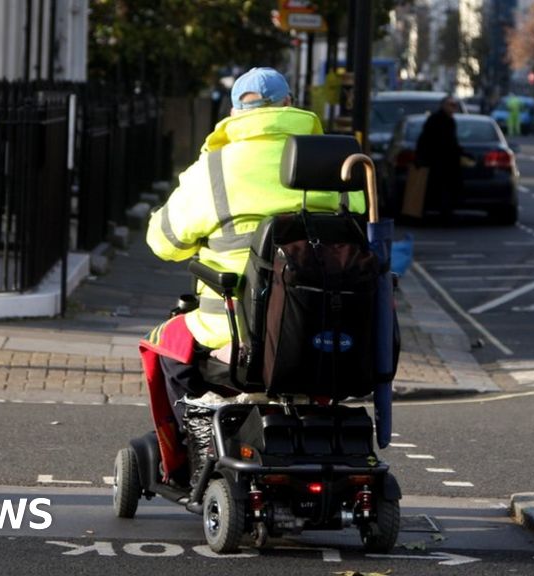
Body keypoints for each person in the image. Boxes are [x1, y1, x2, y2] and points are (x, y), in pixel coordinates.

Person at [139, 68, 365, 482]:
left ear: (234, 111)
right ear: (289, 104)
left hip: (235, 333)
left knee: (167, 347)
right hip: (324, 330)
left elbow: (163, 241)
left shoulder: (214, 168)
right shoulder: (336, 163)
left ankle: (193, 449)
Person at [414, 96, 464, 220]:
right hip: (436, 161)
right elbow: (425, 140)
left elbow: (452, 142)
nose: (453, 108)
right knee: (434, 188)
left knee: (446, 189)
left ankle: (445, 212)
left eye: (454, 105)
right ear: (443, 106)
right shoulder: (435, 120)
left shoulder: (450, 121)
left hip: (447, 162)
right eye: (451, 105)